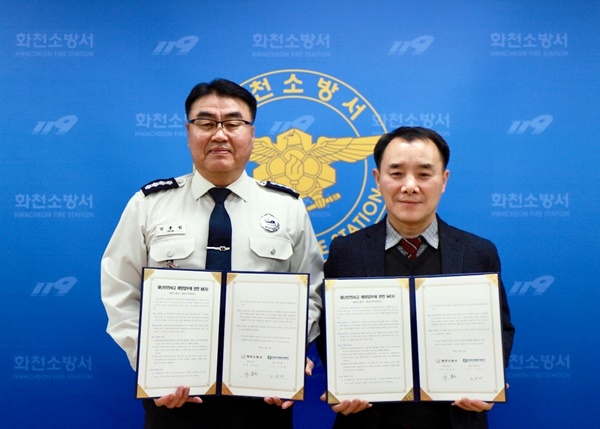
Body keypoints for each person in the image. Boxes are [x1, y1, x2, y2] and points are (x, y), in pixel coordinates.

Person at [101, 78, 324, 429]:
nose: (220, 135)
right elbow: (120, 290)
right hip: (174, 395)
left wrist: (292, 351)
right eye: (206, 123)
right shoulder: (149, 204)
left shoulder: (288, 207)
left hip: (263, 394)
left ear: (252, 133)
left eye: (233, 123)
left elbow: (312, 291)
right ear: (188, 131)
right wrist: (148, 363)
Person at [319, 126, 515, 429]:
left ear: (444, 180)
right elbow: (329, 332)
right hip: (367, 419)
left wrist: (488, 380)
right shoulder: (345, 251)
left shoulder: (478, 252)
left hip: (456, 418)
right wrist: (341, 383)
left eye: (424, 174)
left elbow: (500, 329)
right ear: (377, 179)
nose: (409, 186)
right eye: (396, 173)